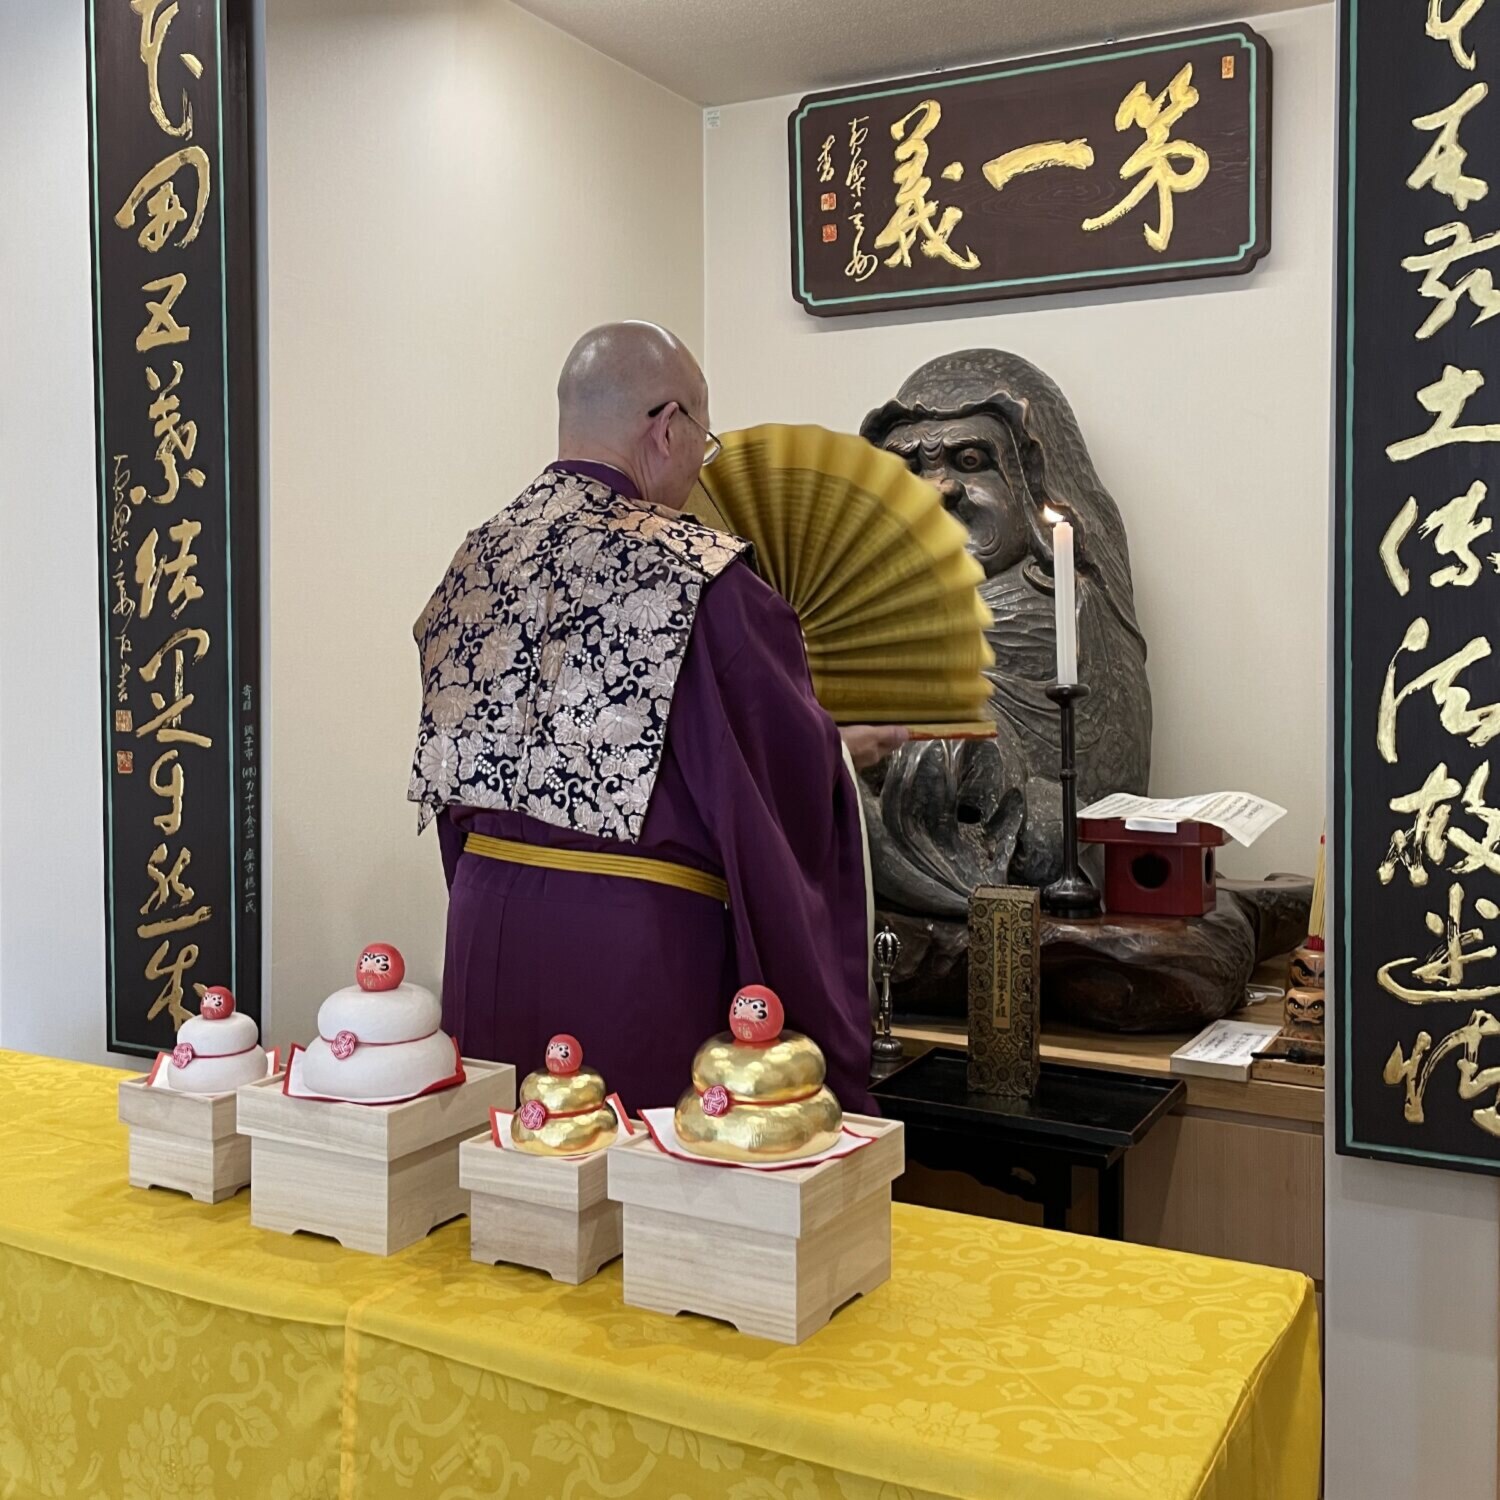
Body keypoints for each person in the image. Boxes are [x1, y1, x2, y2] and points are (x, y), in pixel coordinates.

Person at [408, 322, 904, 1112]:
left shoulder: (476, 562)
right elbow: (774, 784)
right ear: (667, 426)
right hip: (632, 953)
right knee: (630, 1203)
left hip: (483, 926)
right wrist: (841, 754)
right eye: (700, 442)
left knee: (508, 1183)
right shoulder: (696, 574)